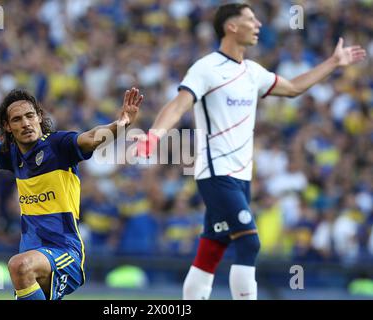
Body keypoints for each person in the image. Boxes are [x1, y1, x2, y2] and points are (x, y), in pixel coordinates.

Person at [136, 3, 365, 300]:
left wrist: (333, 63)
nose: (258, 24)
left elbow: (294, 88)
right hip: (216, 172)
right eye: (250, 19)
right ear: (231, 26)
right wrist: (154, 135)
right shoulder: (206, 68)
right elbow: (179, 104)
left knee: (212, 248)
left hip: (241, 177)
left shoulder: (253, 73)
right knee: (249, 243)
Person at [0, 87, 143, 300]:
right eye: (17, 119)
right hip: (35, 259)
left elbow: (92, 137)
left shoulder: (58, 145)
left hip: (64, 251)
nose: (26, 123)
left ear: (39, 117)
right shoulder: (11, 155)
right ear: (8, 127)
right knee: (21, 266)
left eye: (30, 116)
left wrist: (122, 124)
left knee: (19, 264)